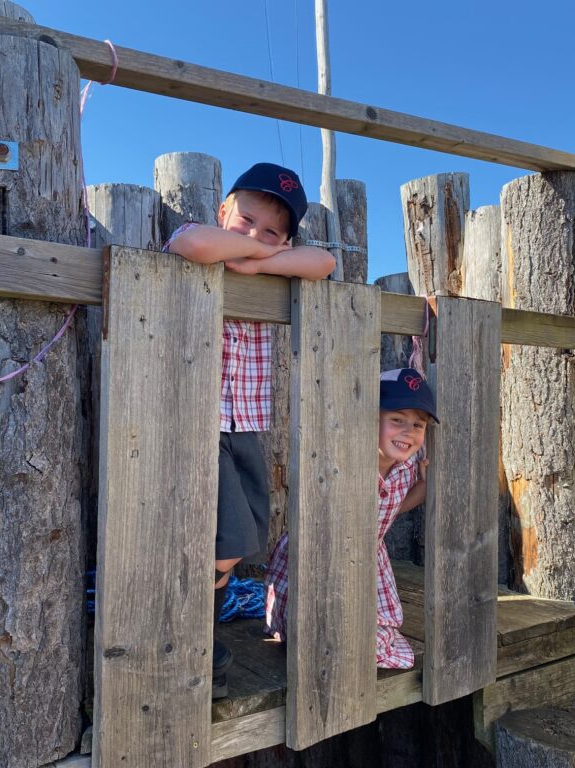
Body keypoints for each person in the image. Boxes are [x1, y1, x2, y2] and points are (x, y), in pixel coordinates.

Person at [164, 162, 335, 698]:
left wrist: (258, 260)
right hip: (198, 419)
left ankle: (201, 635)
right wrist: (261, 254)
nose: (256, 236)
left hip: (246, 423)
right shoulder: (198, 236)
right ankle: (187, 640)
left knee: (243, 538)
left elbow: (326, 261)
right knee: (223, 541)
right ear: (223, 212)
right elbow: (191, 246)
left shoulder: (272, 263)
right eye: (247, 221)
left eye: (272, 233)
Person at [263, 367, 438, 669]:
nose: (409, 432)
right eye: (397, 420)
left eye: (418, 425)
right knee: (321, 634)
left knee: (376, 636)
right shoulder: (349, 463)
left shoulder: (406, 468)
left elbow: (393, 506)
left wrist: (422, 487)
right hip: (322, 557)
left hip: (370, 558)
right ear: (371, 419)